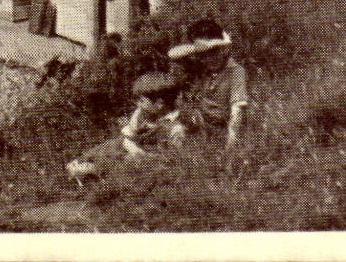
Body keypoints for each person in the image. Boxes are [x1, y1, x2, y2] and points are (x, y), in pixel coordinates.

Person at [65, 72, 184, 184]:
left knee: (124, 156)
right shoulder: (155, 115)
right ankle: (82, 163)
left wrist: (134, 148)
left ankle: (93, 170)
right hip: (137, 148)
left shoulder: (175, 127)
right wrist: (138, 114)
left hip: (144, 157)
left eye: (141, 101)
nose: (138, 105)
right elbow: (133, 130)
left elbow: (169, 158)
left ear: (159, 103)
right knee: (114, 143)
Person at [167, 18, 250, 151]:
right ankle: (177, 160)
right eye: (203, 55)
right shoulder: (202, 66)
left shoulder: (235, 71)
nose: (209, 59)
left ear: (223, 48)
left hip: (223, 125)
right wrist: (198, 47)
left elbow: (237, 111)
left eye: (213, 52)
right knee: (173, 126)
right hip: (202, 120)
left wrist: (230, 148)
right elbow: (172, 55)